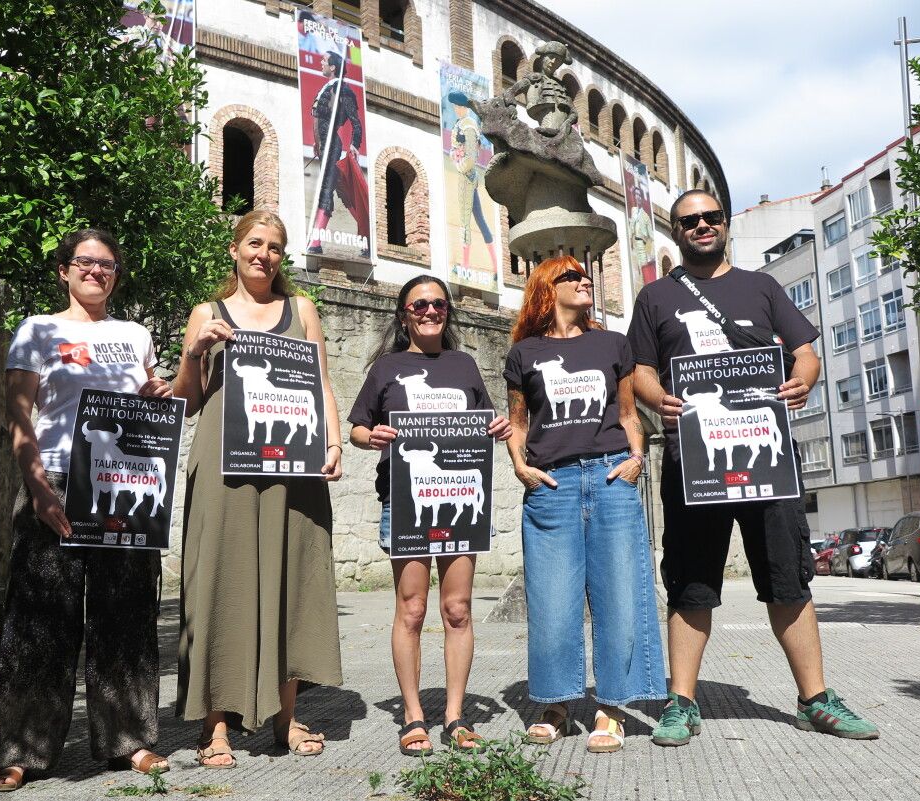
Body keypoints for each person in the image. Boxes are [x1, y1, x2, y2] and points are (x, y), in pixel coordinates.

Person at [627, 189, 879, 745]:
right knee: (691, 581)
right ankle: (682, 703)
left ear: (725, 224)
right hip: (694, 457)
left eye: (710, 218)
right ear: (676, 232)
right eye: (689, 220)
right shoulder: (655, 298)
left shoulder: (762, 287)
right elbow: (641, 369)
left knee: (788, 577)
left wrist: (804, 379)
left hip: (768, 457)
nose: (701, 226)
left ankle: (816, 698)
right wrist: (657, 398)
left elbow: (806, 351)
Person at [0, 229, 170, 792]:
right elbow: (20, 410)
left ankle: (128, 741)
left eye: (107, 264)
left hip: (123, 482)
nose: (96, 271)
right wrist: (36, 484)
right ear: (63, 270)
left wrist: (158, 391)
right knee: (40, 620)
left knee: (126, 616)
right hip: (59, 478)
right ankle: (21, 750)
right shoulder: (38, 330)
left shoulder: (134, 334)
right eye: (85, 262)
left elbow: (146, 403)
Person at [172, 209, 344, 768]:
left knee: (290, 579)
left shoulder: (303, 309)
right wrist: (196, 349)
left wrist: (335, 443)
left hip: (293, 469)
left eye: (273, 246)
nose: (263, 254)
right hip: (225, 469)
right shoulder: (207, 312)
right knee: (220, 581)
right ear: (234, 249)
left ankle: (285, 717)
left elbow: (320, 381)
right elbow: (185, 401)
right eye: (254, 243)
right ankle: (215, 725)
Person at [504, 256, 666, 754]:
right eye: (571, 276)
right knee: (552, 600)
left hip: (611, 475)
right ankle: (555, 703)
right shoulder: (524, 353)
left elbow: (626, 411)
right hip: (552, 486)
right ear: (546, 289)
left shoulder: (613, 344)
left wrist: (637, 457)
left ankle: (611, 706)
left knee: (621, 593)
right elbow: (517, 421)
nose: (584, 281)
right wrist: (519, 465)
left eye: (586, 275)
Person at [347, 276, 511, 756]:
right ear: (404, 314)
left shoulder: (464, 365)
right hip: (405, 499)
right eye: (419, 304)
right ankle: (414, 715)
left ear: (447, 312)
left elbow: (486, 422)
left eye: (439, 303)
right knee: (413, 609)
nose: (430, 310)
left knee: (457, 609)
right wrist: (368, 437)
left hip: (459, 493)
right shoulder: (387, 369)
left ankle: (456, 717)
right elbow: (357, 428)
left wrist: (498, 426)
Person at [307, 50, 370, 257]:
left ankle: (315, 242)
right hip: (324, 146)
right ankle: (367, 238)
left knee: (327, 189)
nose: (321, 62)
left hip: (332, 146)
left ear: (333, 67)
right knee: (342, 192)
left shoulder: (343, 90)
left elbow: (355, 121)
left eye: (324, 60)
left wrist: (354, 143)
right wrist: (317, 143)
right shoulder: (329, 87)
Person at [447, 91, 497, 272]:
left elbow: (471, 155)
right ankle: (495, 265)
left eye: (457, 106)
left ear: (463, 107)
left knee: (465, 221)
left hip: (466, 177)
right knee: (479, 219)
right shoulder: (463, 123)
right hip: (469, 176)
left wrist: (460, 165)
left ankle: (466, 266)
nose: (455, 109)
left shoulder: (468, 125)